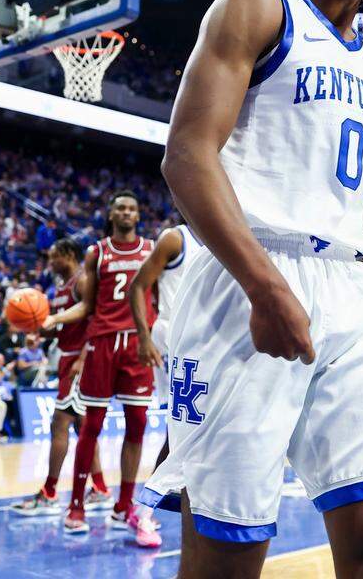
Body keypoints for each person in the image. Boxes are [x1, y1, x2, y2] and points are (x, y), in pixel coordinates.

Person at [141, 0, 363, 579]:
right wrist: (265, 288)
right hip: (245, 288)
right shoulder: (256, 5)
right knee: (228, 553)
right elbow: (186, 158)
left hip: (346, 296)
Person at [43, 191, 156, 535]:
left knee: (137, 423)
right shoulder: (97, 252)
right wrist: (52, 320)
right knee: (90, 425)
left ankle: (124, 505)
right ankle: (76, 504)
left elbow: (162, 299)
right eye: (120, 207)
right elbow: (87, 306)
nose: (127, 212)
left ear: (138, 216)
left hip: (137, 341)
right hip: (103, 342)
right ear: (111, 214)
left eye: (133, 208)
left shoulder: (151, 250)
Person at [11, 237, 110, 518]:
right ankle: (101, 488)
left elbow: (95, 320)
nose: (49, 262)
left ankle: (50, 492)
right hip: (68, 357)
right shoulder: (59, 289)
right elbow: (62, 329)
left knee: (60, 423)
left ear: (68, 254)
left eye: (54, 256)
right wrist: (38, 331)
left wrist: (82, 359)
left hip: (81, 358)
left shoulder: (82, 282)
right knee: (83, 427)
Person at [125, 223, 199, 547]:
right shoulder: (175, 238)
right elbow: (138, 286)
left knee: (195, 432)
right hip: (174, 340)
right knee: (180, 432)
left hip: (206, 341)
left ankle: (178, 505)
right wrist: (143, 337)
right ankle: (142, 512)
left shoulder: (228, 229)